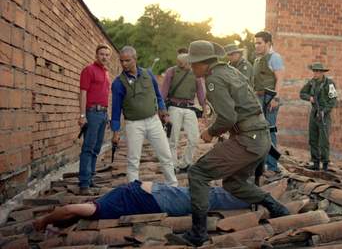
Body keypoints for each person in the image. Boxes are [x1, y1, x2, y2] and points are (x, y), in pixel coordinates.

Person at [170, 40, 289, 247]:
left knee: (197, 173)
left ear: (204, 63)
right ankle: (276, 208)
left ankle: (198, 232)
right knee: (233, 183)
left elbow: (228, 118)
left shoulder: (214, 79)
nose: (191, 67)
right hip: (258, 139)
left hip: (248, 140)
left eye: (193, 63)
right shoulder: (230, 71)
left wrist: (210, 132)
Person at [33, 180, 254, 231]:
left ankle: (252, 195)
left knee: (207, 196)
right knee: (206, 196)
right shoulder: (97, 209)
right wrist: (45, 220)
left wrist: (44, 220)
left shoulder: (97, 207)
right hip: (156, 196)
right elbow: (70, 210)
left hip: (157, 195)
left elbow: (70, 209)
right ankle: (252, 194)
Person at [111, 46, 178, 186]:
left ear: (135, 59)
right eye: (121, 61)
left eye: (127, 61)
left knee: (165, 155)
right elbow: (116, 110)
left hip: (153, 121)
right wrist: (116, 131)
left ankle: (173, 185)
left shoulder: (148, 74)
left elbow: (158, 96)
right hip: (133, 124)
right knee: (133, 160)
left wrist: (163, 111)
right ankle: (133, 191)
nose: (124, 64)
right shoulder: (118, 83)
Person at [161, 54, 206, 173]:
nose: (181, 65)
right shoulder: (172, 71)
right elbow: (164, 91)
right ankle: (173, 165)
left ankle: (186, 163)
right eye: (179, 63)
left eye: (183, 63)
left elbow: (200, 91)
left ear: (189, 62)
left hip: (190, 108)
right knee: (173, 138)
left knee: (194, 138)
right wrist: (161, 110)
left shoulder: (195, 73)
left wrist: (204, 106)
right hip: (174, 107)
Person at [78, 44, 111, 195]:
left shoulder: (106, 72)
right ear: (96, 55)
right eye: (102, 54)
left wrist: (108, 114)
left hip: (103, 114)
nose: (104, 56)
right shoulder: (89, 70)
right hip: (92, 113)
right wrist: (82, 115)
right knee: (88, 148)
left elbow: (105, 95)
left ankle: (90, 180)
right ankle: (84, 184)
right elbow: (83, 93)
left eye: (106, 54)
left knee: (96, 149)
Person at [253, 31, 285, 172]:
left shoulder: (275, 57)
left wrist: (276, 98)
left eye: (259, 43)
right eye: (255, 43)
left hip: (269, 98)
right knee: (258, 132)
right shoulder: (258, 59)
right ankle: (261, 164)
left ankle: (272, 166)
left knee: (270, 131)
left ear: (268, 43)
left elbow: (280, 79)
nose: (256, 45)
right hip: (258, 98)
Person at [299, 62, 337, 171]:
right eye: (314, 71)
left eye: (317, 71)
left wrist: (324, 111)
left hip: (324, 114)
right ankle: (315, 163)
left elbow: (333, 100)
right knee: (313, 138)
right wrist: (309, 98)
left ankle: (325, 164)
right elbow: (302, 93)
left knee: (323, 140)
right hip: (314, 112)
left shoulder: (329, 83)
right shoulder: (311, 83)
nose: (315, 73)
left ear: (322, 72)